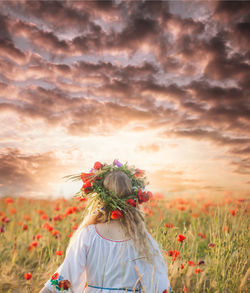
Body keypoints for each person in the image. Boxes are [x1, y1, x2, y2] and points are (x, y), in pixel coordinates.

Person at [39, 160, 172, 293]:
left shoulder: (89, 234)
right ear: (133, 197)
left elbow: (67, 273)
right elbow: (159, 284)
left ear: (100, 199)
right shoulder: (141, 239)